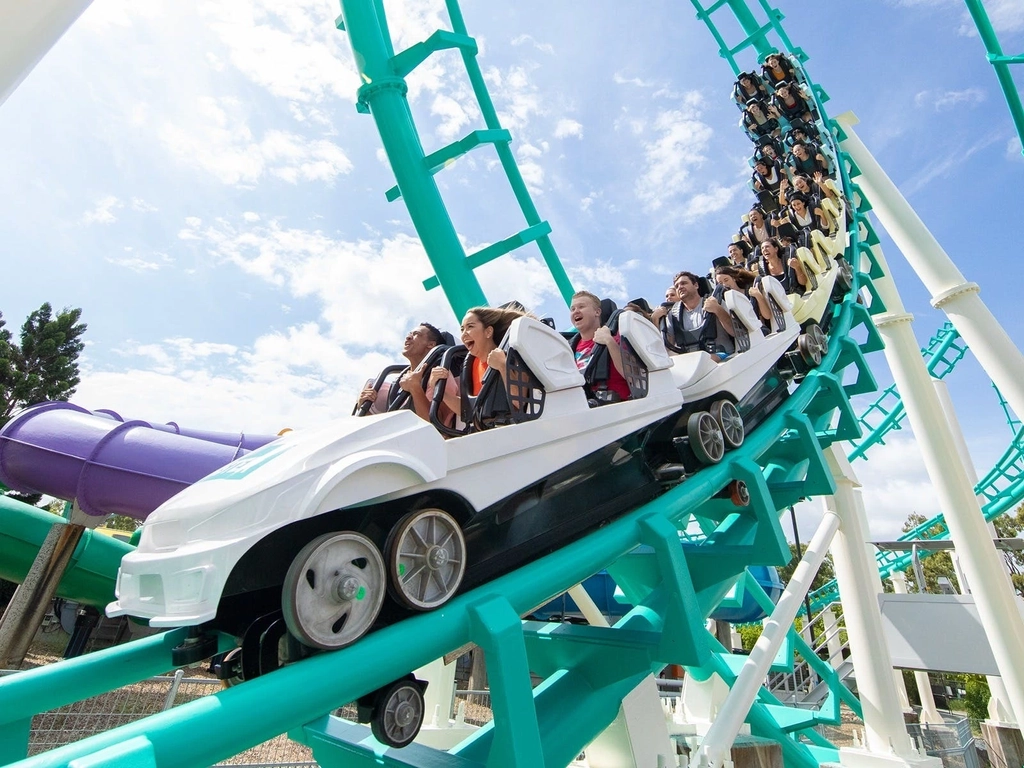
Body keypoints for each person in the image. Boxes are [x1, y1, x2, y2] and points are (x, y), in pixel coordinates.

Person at [428, 305, 527, 427]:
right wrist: (438, 389)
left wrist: (502, 366)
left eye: (470, 327)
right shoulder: (470, 365)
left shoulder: (511, 356)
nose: (464, 334)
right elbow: (467, 410)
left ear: (488, 331)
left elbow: (521, 402)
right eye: (462, 329)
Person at [356, 323, 454, 421]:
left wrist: (415, 387)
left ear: (431, 344)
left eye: (416, 334)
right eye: (409, 334)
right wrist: (363, 407)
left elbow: (437, 425)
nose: (408, 337)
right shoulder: (400, 380)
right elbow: (388, 427)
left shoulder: (439, 374)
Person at [650, 271, 735, 358]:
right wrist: (655, 321)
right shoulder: (673, 315)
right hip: (692, 361)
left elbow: (735, 332)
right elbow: (666, 348)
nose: (680, 287)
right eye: (677, 286)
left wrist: (718, 310)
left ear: (696, 285)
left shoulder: (715, 302)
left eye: (684, 283)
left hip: (723, 355)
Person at [567, 291, 631, 404]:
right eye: (572, 309)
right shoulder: (568, 349)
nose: (576, 311)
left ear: (597, 312)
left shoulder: (617, 337)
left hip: (618, 407)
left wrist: (609, 341)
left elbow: (632, 376)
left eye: (581, 307)